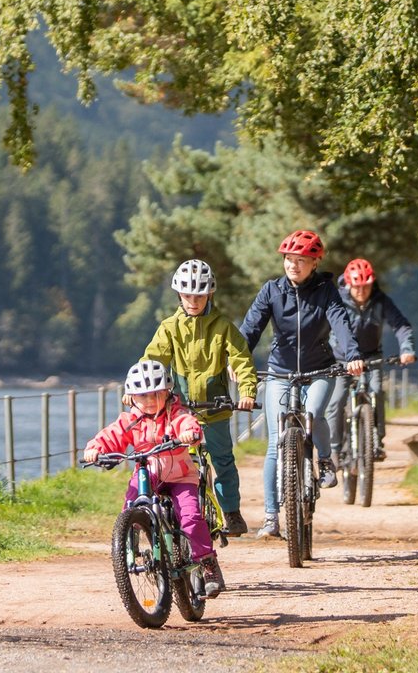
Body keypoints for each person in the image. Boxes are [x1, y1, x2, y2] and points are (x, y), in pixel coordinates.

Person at [238, 229, 363, 539]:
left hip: (319, 369)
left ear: (315, 263)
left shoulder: (326, 291)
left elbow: (340, 323)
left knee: (313, 412)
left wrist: (352, 355)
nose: (293, 266)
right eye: (289, 260)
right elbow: (251, 328)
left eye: (301, 260)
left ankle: (324, 458)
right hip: (279, 372)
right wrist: (237, 360)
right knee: (273, 445)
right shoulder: (271, 291)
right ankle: (270, 517)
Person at [82, 360, 226, 593]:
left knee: (190, 517)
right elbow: (112, 435)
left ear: (167, 392)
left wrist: (190, 433)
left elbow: (187, 423)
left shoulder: (175, 414)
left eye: (155, 395)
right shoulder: (130, 420)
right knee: (130, 506)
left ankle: (208, 563)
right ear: (132, 397)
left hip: (180, 477)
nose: (149, 401)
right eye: (142, 396)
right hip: (147, 474)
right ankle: (130, 544)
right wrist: (95, 449)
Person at [142, 259, 259, 536]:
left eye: (199, 294)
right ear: (178, 295)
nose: (193, 300)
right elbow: (153, 359)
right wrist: (140, 391)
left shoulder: (223, 327)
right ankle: (179, 513)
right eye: (187, 295)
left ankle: (231, 512)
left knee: (222, 461)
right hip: (180, 411)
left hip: (215, 408)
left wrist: (247, 392)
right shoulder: (169, 328)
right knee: (177, 463)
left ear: (210, 294)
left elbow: (241, 359)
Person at [324, 258, 417, 467]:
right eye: (357, 286)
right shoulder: (336, 300)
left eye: (366, 286)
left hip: (371, 356)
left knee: (376, 392)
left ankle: (376, 441)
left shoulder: (380, 300)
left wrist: (407, 349)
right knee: (336, 401)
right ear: (348, 283)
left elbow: (401, 326)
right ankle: (335, 451)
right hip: (341, 359)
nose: (361, 291)